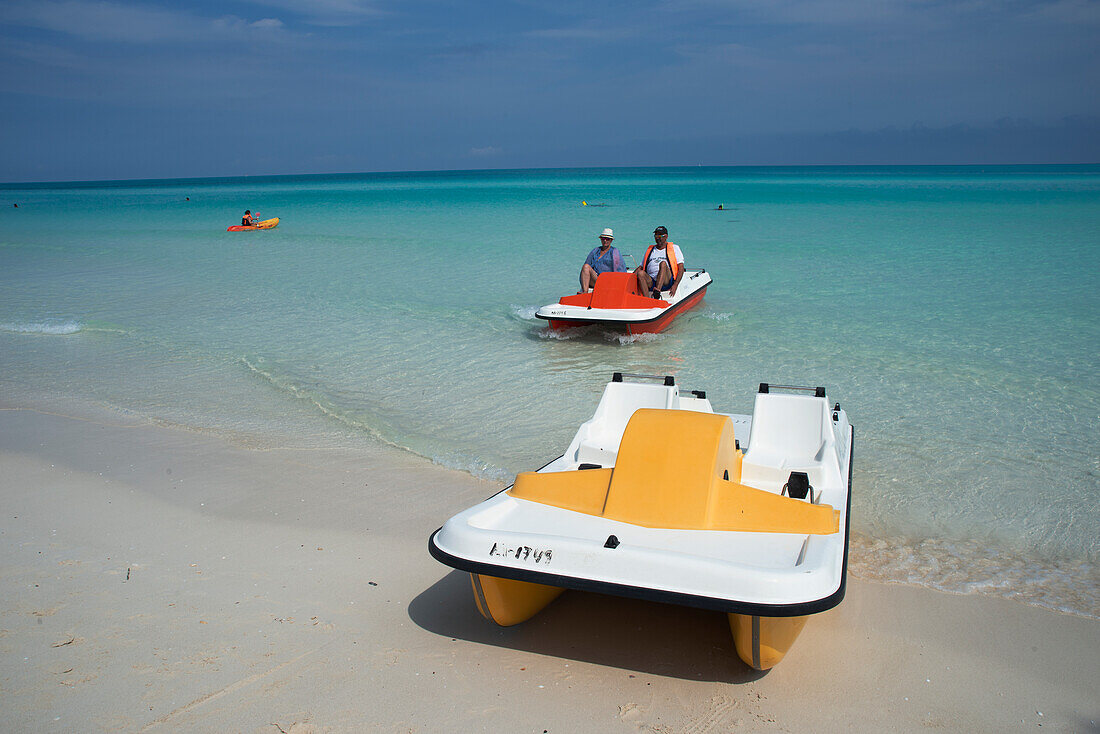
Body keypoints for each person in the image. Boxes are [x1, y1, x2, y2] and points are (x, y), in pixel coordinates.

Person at [635, 225, 685, 298]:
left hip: (666, 281)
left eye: (660, 236)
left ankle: (657, 292)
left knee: (663, 263)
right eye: (656, 236)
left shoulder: (674, 248)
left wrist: (675, 285)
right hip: (651, 281)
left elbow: (681, 268)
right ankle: (646, 299)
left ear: (666, 237)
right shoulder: (650, 250)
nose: (658, 238)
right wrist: (628, 277)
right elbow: (641, 267)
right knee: (640, 273)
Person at [579, 228, 626, 293]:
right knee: (586, 266)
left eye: (608, 239)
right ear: (601, 239)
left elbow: (619, 270)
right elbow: (586, 266)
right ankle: (585, 293)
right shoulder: (595, 250)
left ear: (611, 240)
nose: (605, 241)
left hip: (606, 281)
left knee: (586, 267)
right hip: (595, 279)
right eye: (603, 238)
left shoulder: (614, 252)